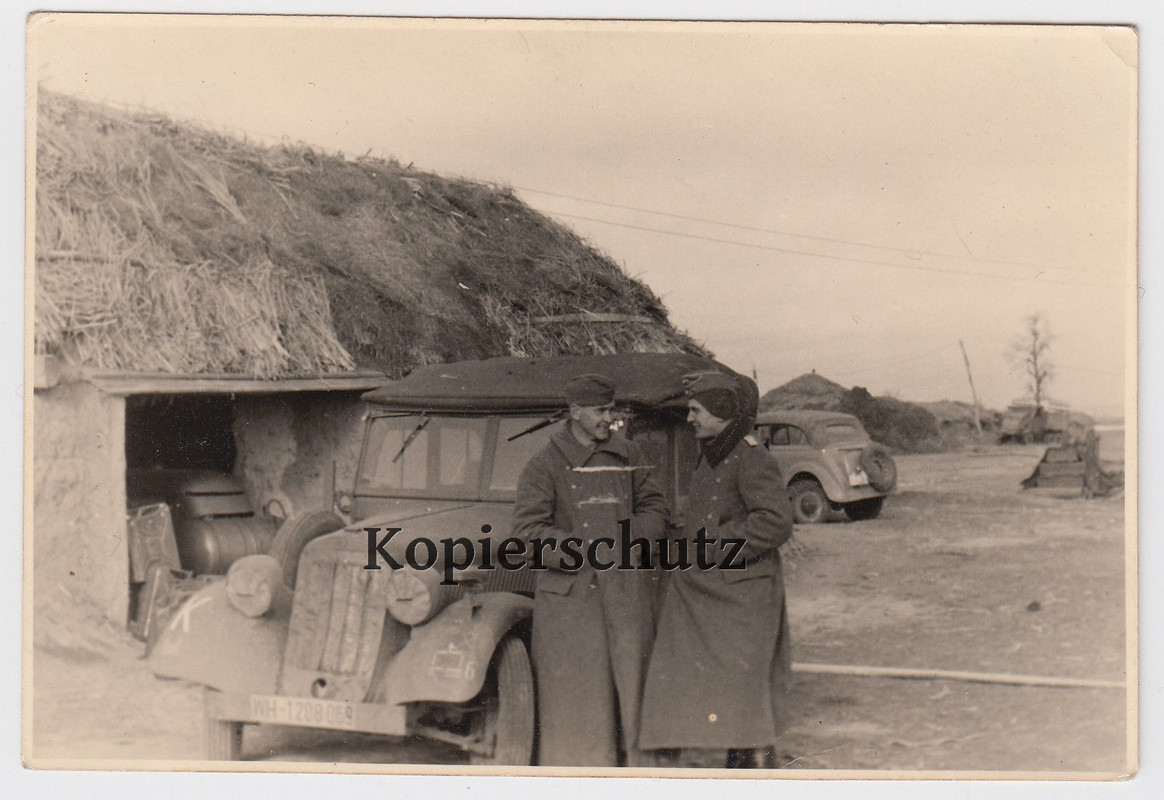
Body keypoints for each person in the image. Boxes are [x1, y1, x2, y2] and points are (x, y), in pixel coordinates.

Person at [638, 370, 794, 769]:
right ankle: (698, 747)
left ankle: (748, 760)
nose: (689, 419)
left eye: (695, 411)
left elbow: (774, 523)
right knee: (695, 671)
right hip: (713, 588)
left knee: (740, 683)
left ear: (720, 413)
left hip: (742, 594)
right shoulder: (715, 453)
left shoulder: (750, 456)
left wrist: (711, 547)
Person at [512, 373, 668, 767]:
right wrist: (583, 549)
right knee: (580, 702)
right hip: (572, 606)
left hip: (626, 596)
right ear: (576, 412)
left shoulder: (629, 455)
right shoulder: (544, 465)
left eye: (611, 410)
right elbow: (528, 532)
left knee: (632, 693)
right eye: (600, 411)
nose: (609, 419)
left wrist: (631, 539)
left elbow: (656, 508)